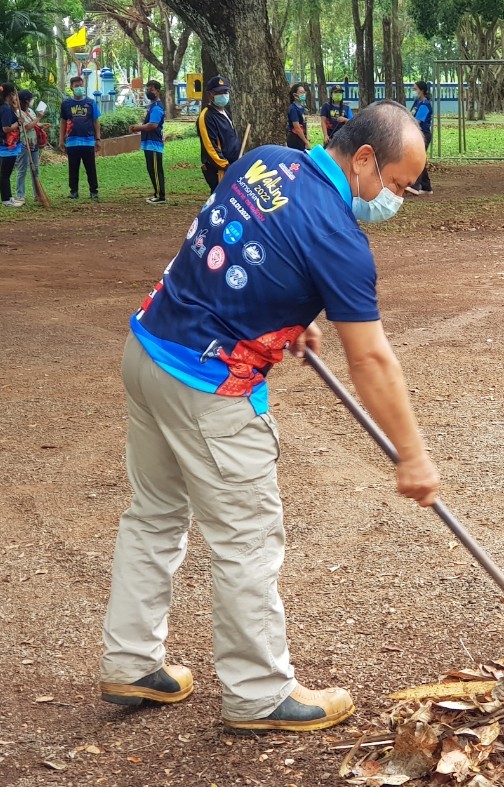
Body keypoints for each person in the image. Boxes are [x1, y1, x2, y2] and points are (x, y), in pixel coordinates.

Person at [99, 101, 438, 735]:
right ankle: (258, 692)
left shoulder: (268, 162)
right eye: (395, 184)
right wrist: (412, 453)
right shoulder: (340, 239)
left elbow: (246, 249)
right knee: (248, 538)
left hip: (147, 350)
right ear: (364, 159)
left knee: (155, 515)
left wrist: (288, 316)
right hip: (207, 385)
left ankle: (131, 661)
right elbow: (370, 359)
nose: (395, 199)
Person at [60, 75, 102, 200]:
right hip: (72, 142)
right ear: (71, 88)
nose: (79, 88)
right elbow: (63, 122)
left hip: (88, 141)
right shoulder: (66, 104)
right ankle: (74, 191)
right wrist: (61, 139)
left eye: (81, 85)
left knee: (90, 168)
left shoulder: (90, 102)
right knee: (73, 168)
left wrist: (98, 139)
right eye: (76, 86)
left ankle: (93, 191)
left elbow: (96, 122)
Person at [198, 76, 239, 191]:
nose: (223, 95)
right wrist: (225, 165)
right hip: (219, 170)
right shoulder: (206, 116)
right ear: (210, 94)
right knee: (220, 201)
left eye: (225, 91)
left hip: (232, 165)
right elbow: (210, 146)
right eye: (219, 92)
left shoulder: (225, 112)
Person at [129, 79, 167, 204]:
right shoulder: (152, 106)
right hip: (149, 142)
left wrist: (137, 128)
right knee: (152, 169)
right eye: (147, 89)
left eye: (151, 90)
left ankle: (160, 196)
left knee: (156, 170)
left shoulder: (156, 107)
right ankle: (157, 193)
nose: (148, 92)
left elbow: (153, 125)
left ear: (157, 91)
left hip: (154, 143)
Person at [0, 84, 24, 208]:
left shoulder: (2, 107)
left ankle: (9, 197)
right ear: (11, 94)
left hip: (6, 145)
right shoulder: (5, 108)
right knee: (5, 174)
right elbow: (6, 128)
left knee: (6, 173)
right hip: (7, 145)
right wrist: (19, 122)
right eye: (14, 94)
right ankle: (6, 200)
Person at [14, 90, 43, 205]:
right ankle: (20, 195)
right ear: (26, 100)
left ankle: (37, 194)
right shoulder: (18, 113)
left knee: (35, 169)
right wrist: (39, 118)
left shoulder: (30, 111)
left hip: (33, 143)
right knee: (22, 169)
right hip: (24, 144)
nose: (32, 101)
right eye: (31, 99)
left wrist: (41, 125)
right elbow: (27, 127)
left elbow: (34, 125)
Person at [406, 80, 433, 195]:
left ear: (422, 90)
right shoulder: (417, 102)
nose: (414, 91)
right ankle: (426, 187)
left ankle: (415, 186)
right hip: (416, 134)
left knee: (417, 158)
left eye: (415, 89)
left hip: (423, 134)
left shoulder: (425, 105)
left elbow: (417, 121)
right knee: (420, 158)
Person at [287, 83, 311, 151]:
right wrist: (306, 142)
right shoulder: (293, 109)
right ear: (295, 95)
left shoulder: (303, 108)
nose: (303, 94)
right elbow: (297, 128)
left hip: (302, 137)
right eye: (301, 92)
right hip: (295, 138)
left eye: (304, 92)